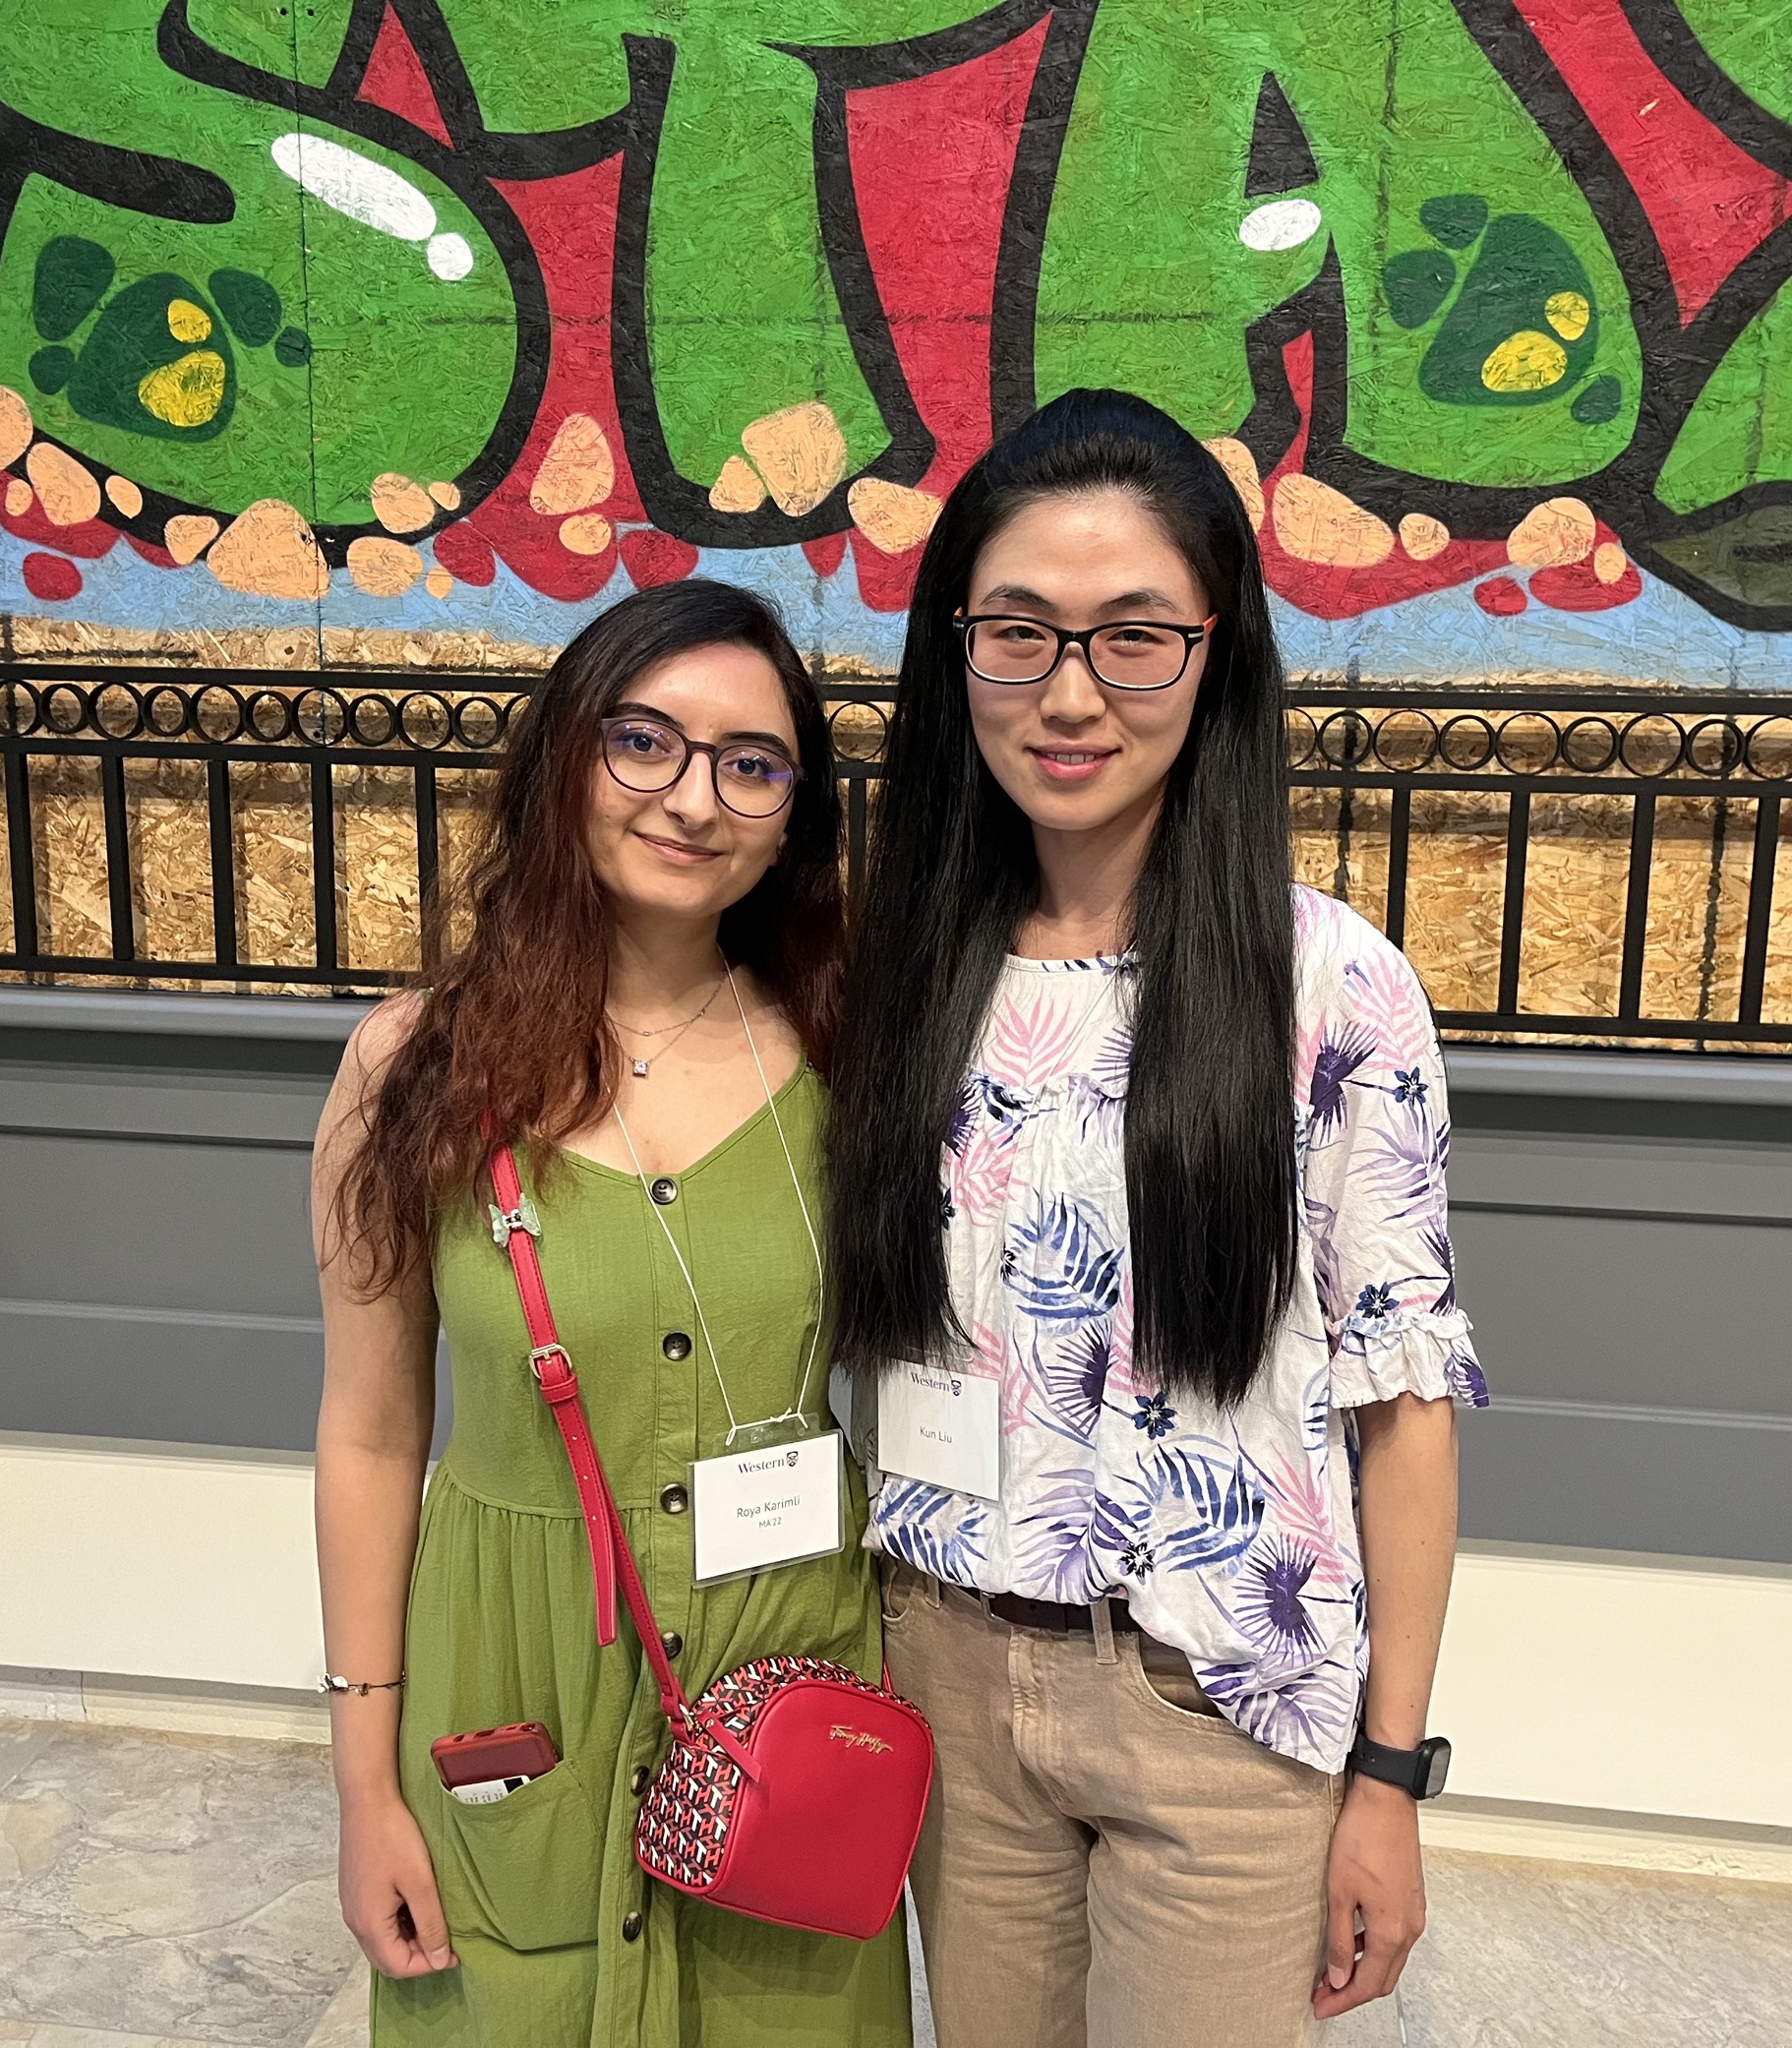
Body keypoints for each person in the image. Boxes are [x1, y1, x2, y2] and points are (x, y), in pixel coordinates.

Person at [831, 389, 1487, 2047]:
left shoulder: (1334, 986)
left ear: (1217, 654)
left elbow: (1403, 1405)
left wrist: (1391, 1774)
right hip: (949, 1680)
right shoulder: (895, 974)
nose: (1070, 694)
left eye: (1134, 637)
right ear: (954, 653)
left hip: (1220, 1705)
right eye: (1018, 634)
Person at [312, 580, 911, 2047]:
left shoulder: (852, 1053)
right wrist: (363, 1783)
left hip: (787, 1677)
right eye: (644, 741)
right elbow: (371, 1435)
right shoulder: (413, 1066)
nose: (694, 799)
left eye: (751, 764)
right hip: (517, 1667)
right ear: (565, 753)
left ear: (795, 814)